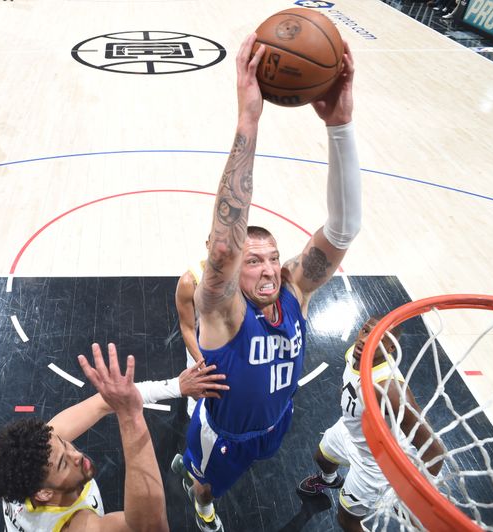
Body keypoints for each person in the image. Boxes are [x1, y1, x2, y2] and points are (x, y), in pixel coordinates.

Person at [171, 32, 362, 532]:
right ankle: (200, 500)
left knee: (258, 457)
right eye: (254, 261)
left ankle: (202, 480)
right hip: (224, 432)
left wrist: (339, 125)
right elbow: (222, 248)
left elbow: (342, 230)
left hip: (276, 423)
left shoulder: (295, 292)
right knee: (207, 482)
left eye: (274, 258)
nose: (269, 268)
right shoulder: (224, 310)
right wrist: (249, 119)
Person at [0, 343, 229, 531]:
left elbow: (103, 403)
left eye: (65, 445)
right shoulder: (75, 526)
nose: (76, 455)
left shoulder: (29, 468)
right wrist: (130, 417)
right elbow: (151, 527)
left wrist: (176, 386)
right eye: (63, 462)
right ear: (44, 494)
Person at [296, 316, 445, 531]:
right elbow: (351, 383)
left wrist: (415, 497)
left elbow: (434, 451)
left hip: (374, 461)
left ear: (391, 347)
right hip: (349, 429)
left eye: (377, 338)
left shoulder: (390, 390)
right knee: (322, 457)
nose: (365, 340)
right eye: (365, 331)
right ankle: (328, 480)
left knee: (346, 520)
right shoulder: (354, 353)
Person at [175, 237, 209, 417]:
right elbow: (187, 328)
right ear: (208, 244)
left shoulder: (241, 273)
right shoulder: (190, 281)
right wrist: (202, 362)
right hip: (200, 349)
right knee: (198, 402)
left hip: (231, 348)